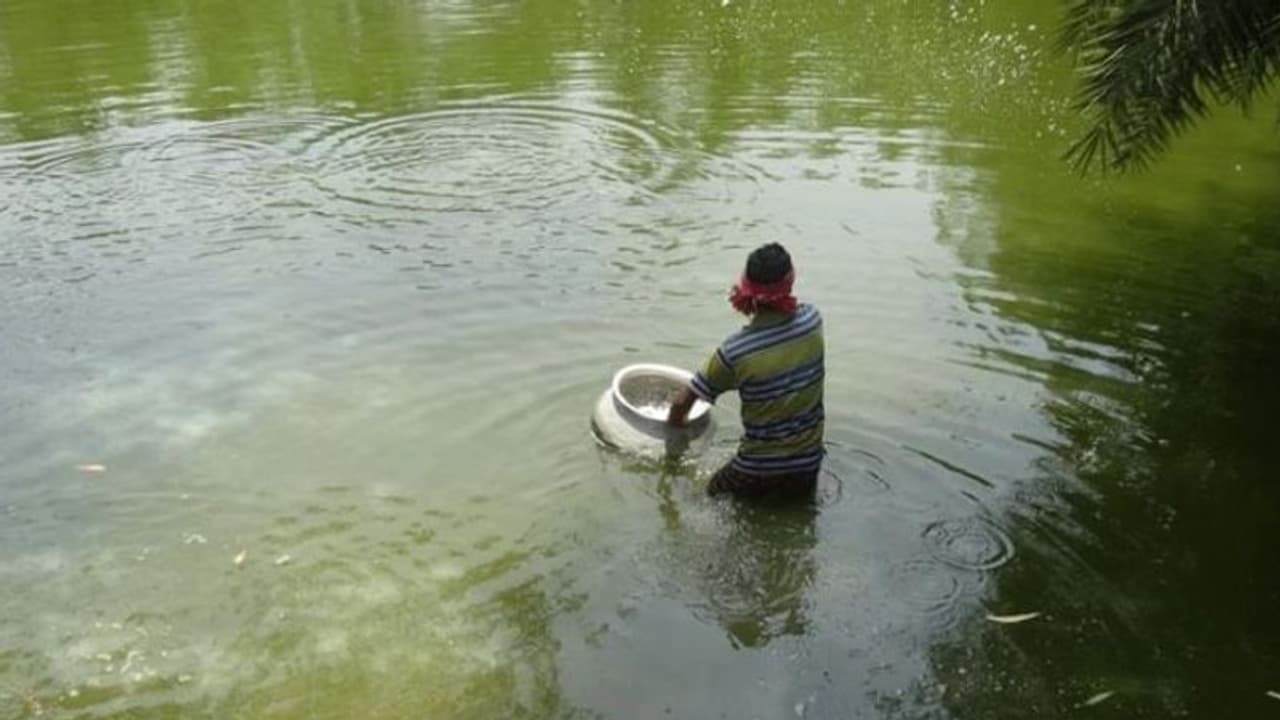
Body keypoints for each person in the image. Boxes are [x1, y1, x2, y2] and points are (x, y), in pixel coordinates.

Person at [667, 243, 825, 499]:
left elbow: (682, 402)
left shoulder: (736, 352)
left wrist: (673, 447)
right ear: (791, 281)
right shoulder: (813, 322)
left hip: (755, 472)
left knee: (698, 496)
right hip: (808, 468)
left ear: (745, 284)